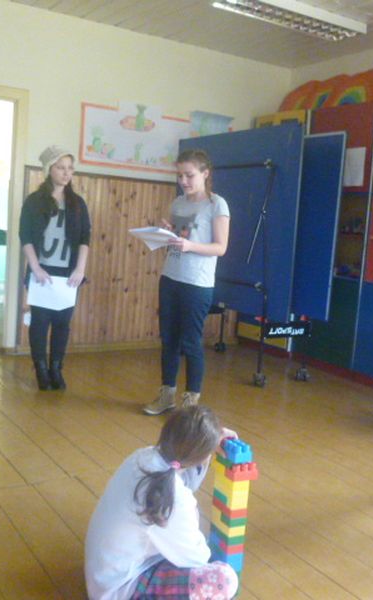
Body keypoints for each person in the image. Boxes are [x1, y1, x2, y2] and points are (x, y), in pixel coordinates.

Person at [85, 406, 240, 600]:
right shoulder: (175, 499)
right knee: (224, 579)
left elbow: (185, 479)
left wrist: (209, 441)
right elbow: (197, 558)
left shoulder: (143, 456)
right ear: (202, 456)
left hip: (105, 575)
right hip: (121, 590)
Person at [143, 149, 230, 415]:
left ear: (205, 173)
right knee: (168, 339)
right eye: (180, 175)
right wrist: (167, 233)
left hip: (197, 283)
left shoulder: (217, 204)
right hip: (171, 277)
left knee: (191, 342)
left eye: (189, 175)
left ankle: (190, 402)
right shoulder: (178, 203)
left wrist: (190, 245)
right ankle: (166, 395)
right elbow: (180, 240)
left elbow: (220, 247)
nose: (183, 181)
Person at [19, 146, 90, 390]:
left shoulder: (77, 203)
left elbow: (85, 238)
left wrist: (80, 269)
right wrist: (35, 267)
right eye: (61, 168)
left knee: (62, 323)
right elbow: (25, 236)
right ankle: (40, 368)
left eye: (70, 168)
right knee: (39, 322)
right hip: (42, 271)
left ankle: (56, 368)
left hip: (68, 274)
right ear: (49, 169)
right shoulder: (34, 201)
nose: (66, 173)